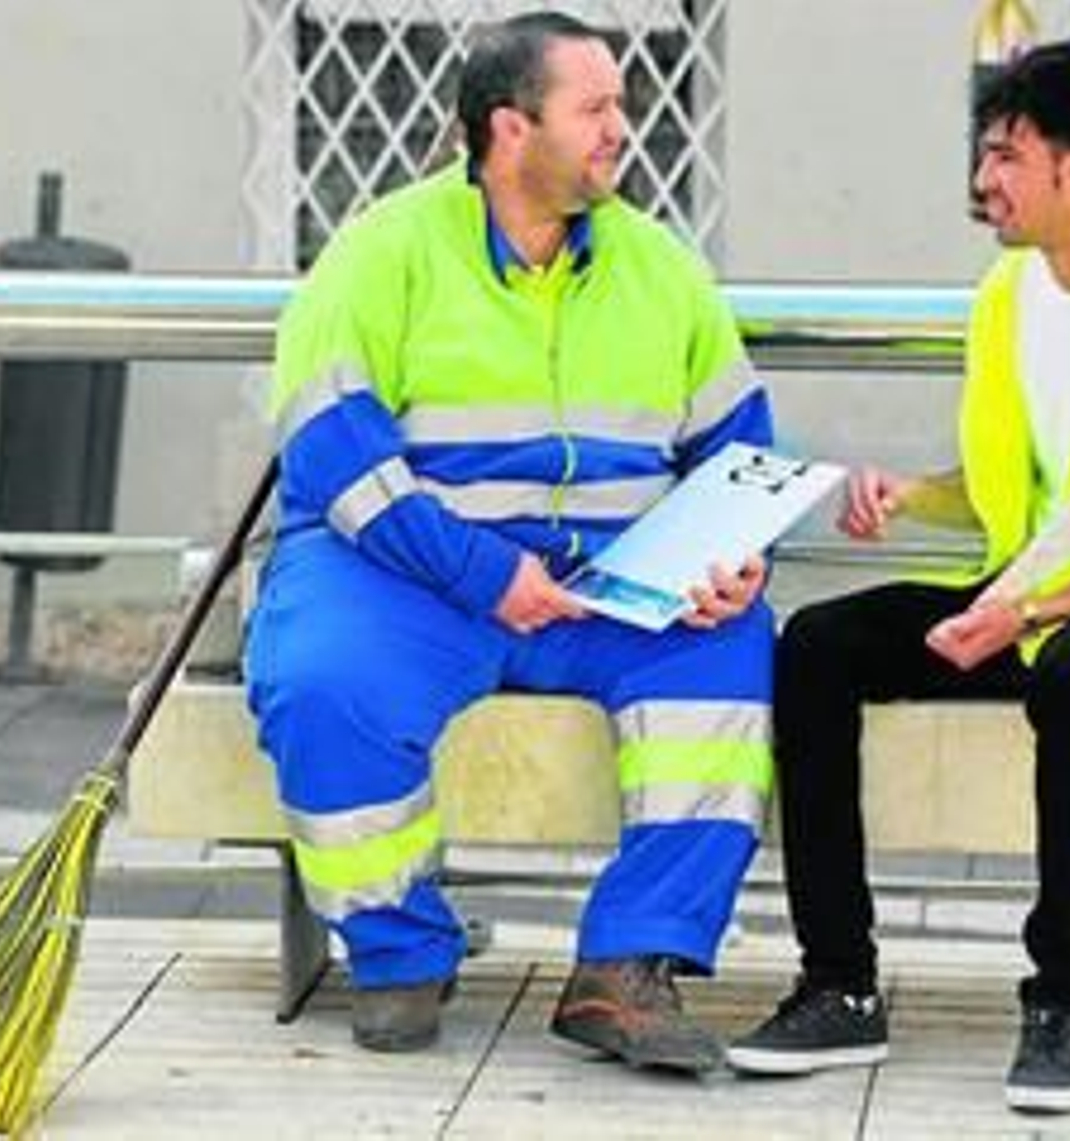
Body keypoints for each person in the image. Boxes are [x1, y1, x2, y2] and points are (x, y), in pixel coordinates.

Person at [726, 39, 1070, 1115]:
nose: (982, 183)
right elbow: (1009, 494)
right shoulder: (1004, 297)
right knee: (819, 644)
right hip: (1028, 598)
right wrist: (911, 495)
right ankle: (840, 985)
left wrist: (1018, 611)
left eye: (1002, 157)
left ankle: (1058, 1003)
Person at [245, 10, 776, 1072]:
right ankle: (399, 949)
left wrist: (737, 554)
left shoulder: (661, 267)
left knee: (727, 656)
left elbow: (737, 447)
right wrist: (487, 574)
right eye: (595, 109)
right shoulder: (380, 253)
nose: (621, 128)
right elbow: (331, 454)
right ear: (507, 128)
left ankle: (627, 970)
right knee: (318, 680)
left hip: (615, 582)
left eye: (619, 106)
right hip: (408, 573)